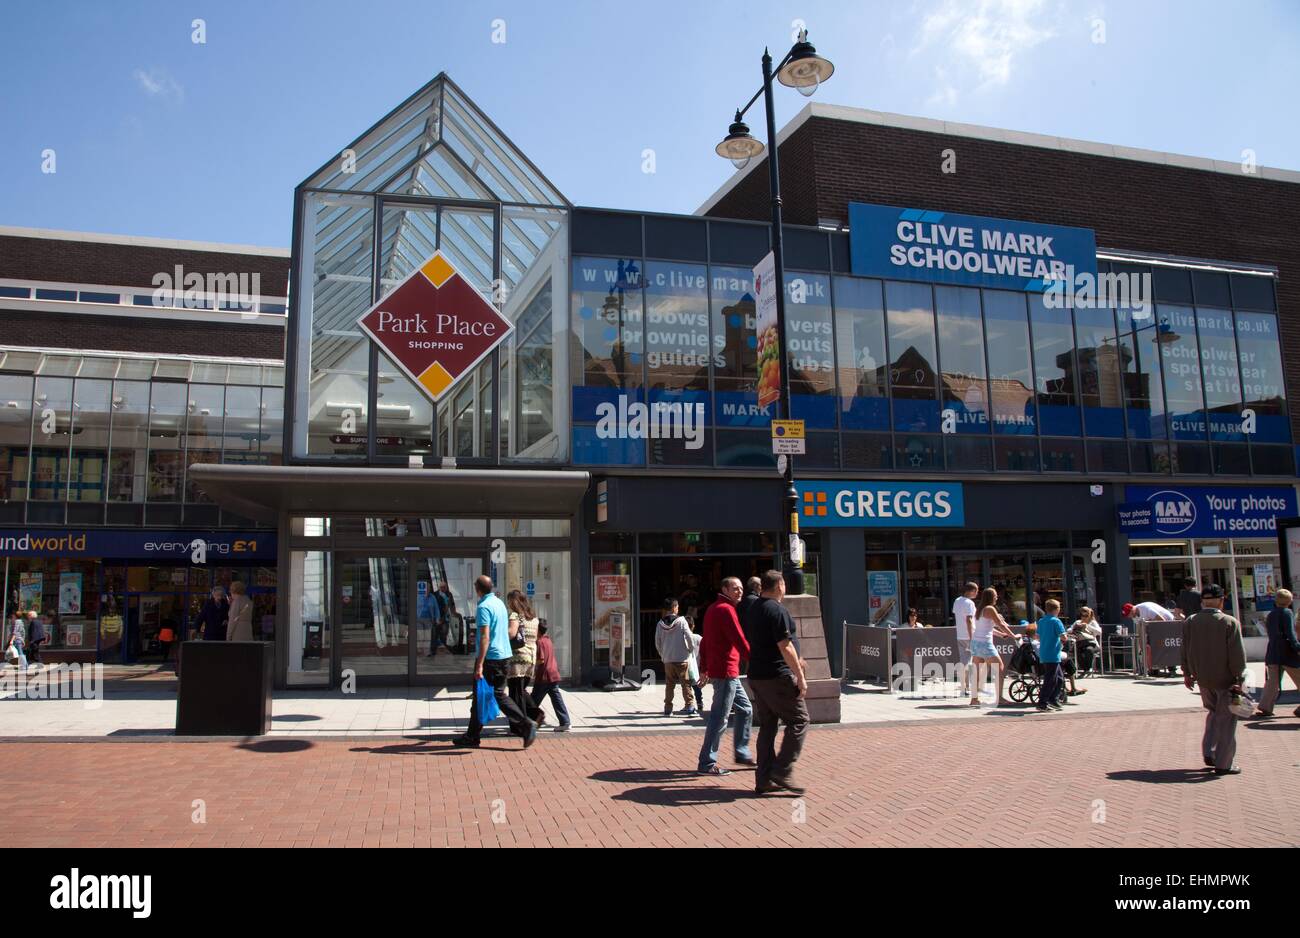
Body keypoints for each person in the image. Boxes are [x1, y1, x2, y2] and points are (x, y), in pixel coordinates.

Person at [743, 570, 809, 796]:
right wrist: (799, 675)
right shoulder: (776, 609)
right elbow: (785, 645)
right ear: (780, 585)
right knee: (800, 719)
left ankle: (763, 779)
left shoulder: (754, 609)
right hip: (776, 676)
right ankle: (782, 770)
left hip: (757, 675)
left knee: (768, 725)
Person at [454, 576, 538, 749]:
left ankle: (525, 724)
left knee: (493, 695)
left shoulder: (484, 607)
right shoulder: (499, 603)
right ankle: (472, 736)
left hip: (490, 658)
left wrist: (479, 664)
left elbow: (485, 637)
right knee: (486, 696)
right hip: (504, 655)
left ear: (478, 589)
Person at [1180, 584, 1247, 775]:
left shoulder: (1191, 622)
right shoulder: (1228, 622)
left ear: (1203, 601)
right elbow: (1237, 655)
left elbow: (1185, 649)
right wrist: (1239, 678)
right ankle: (1224, 763)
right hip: (1226, 679)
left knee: (1212, 713)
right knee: (1227, 720)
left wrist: (1186, 672)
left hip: (1202, 678)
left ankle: (1209, 751)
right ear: (1221, 600)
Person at [697, 577, 753, 776]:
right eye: (735, 588)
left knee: (745, 709)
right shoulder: (726, 610)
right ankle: (706, 763)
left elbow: (704, 642)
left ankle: (742, 752)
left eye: (741, 588)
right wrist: (755, 660)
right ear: (724, 589)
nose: (739, 592)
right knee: (719, 718)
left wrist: (704, 667)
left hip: (725, 672)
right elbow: (739, 638)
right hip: (726, 672)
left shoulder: (713, 609)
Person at [1256, 587, 1300, 718]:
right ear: (1289, 601)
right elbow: (1290, 633)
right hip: (1287, 653)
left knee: (1272, 682)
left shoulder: (1271, 614)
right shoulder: (1287, 613)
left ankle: (1265, 706)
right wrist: (1297, 647)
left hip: (1273, 652)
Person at [970, 587, 1016, 707]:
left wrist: (1001, 635)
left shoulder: (978, 609)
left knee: (977, 671)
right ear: (990, 597)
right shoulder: (990, 608)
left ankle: (974, 699)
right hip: (985, 644)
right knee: (999, 668)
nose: (997, 597)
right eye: (995, 595)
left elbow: (986, 628)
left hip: (976, 643)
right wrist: (1013, 636)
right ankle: (999, 698)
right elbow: (1000, 624)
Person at [655, 598, 696, 716]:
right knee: (686, 684)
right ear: (674, 608)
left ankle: (668, 708)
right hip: (682, 658)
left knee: (669, 684)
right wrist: (690, 649)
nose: (678, 609)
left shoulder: (660, 623)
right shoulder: (682, 621)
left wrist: (662, 654)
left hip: (668, 659)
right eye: (677, 607)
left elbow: (657, 642)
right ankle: (690, 706)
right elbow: (689, 636)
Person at [505, 590, 541, 721]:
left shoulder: (515, 616)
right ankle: (536, 715)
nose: (508, 604)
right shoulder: (534, 618)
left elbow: (511, 633)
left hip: (518, 658)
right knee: (521, 690)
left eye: (509, 601)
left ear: (513, 602)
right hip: (531, 656)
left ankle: (520, 722)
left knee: (515, 693)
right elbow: (536, 637)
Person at [530, 620, 571, 732]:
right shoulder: (548, 640)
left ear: (537, 630)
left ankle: (528, 721)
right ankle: (565, 721)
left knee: (532, 701)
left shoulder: (539, 642)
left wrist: (531, 663)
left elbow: (541, 659)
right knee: (557, 699)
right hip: (553, 673)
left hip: (544, 676)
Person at [1035, 599, 1068, 712]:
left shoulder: (1041, 621)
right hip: (1053, 653)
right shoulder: (1056, 621)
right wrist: (1065, 637)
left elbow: (1037, 637)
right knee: (1050, 679)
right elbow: (1063, 636)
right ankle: (1042, 703)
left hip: (1044, 653)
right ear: (1056, 609)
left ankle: (1053, 699)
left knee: (1059, 678)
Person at [952, 582, 978, 694]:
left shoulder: (957, 601)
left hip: (960, 635)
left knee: (964, 661)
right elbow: (969, 620)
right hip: (968, 636)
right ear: (971, 591)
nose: (977, 593)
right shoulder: (969, 603)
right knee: (967, 662)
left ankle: (965, 686)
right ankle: (966, 686)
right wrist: (972, 637)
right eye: (976, 591)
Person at [684, 616, 706, 715]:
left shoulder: (683, 638)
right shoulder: (698, 638)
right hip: (698, 665)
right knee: (697, 686)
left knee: (687, 685)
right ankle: (699, 702)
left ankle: (689, 704)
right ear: (693, 626)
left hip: (687, 665)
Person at [736, 576, 763, 645]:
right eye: (761, 585)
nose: (762, 588)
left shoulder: (742, 598)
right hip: (751, 636)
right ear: (756, 586)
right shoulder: (756, 600)